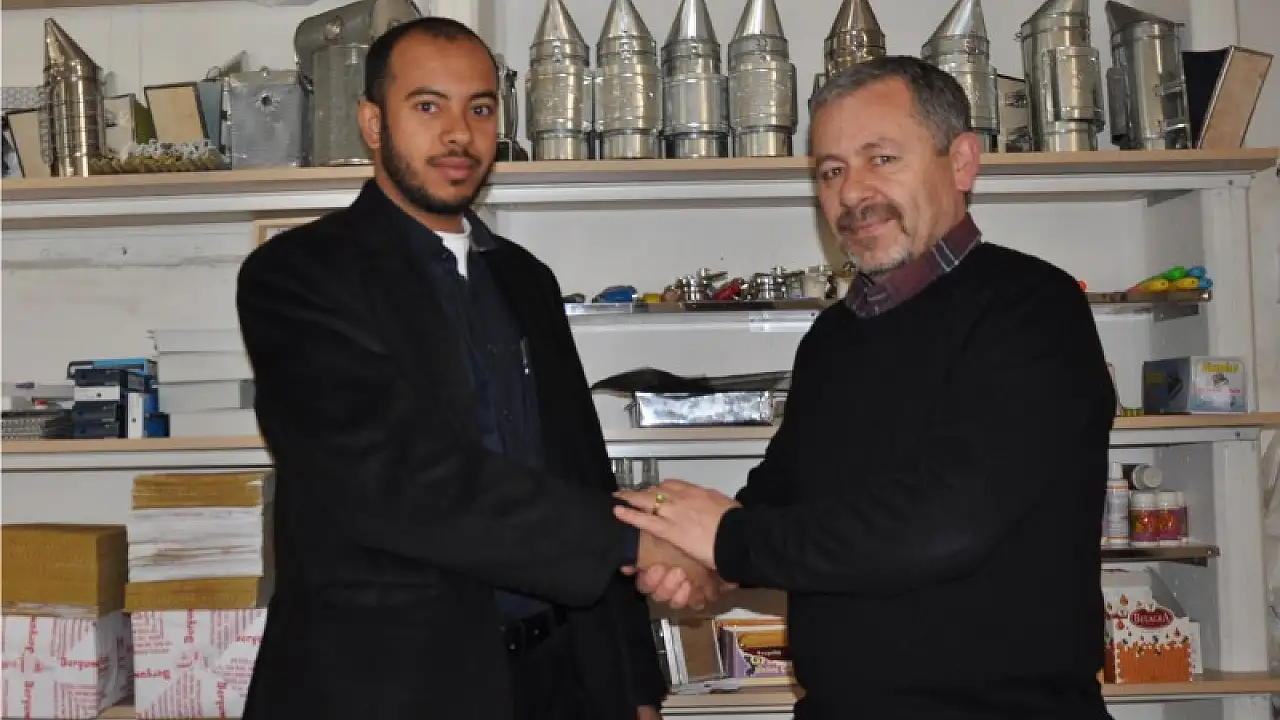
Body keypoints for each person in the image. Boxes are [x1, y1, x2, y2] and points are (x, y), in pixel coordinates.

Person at [235, 16, 719, 720]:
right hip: (386, 689)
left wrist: (633, 686)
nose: (459, 134)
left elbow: (581, 470)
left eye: (481, 109)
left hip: (552, 678)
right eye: (428, 107)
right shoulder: (298, 275)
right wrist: (636, 542)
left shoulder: (525, 279)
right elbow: (396, 476)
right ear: (373, 123)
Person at [614, 56, 1118, 719]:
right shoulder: (833, 336)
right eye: (831, 171)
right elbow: (781, 497)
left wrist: (728, 542)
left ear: (961, 162)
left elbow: (943, 525)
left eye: (881, 159)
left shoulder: (1031, 309)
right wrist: (695, 555)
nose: (852, 192)